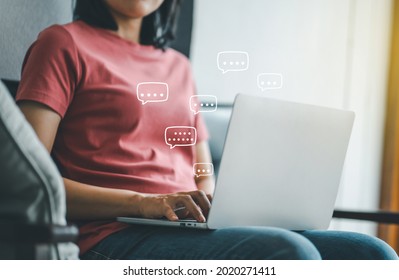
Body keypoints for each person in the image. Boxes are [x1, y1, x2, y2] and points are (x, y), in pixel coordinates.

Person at [16, 0, 398, 260]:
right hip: (111, 235)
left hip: (186, 228)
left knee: (372, 254)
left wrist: (215, 205)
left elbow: (202, 172)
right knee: (291, 254)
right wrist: (145, 203)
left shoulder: (179, 67)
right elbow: (26, 181)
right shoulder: (62, 43)